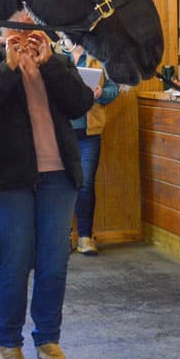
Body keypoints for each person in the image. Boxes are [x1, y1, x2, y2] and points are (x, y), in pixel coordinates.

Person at [0, 15, 94, 359]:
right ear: (2, 26)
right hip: (5, 180)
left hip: (58, 176)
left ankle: (48, 337)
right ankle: (8, 343)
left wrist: (51, 63)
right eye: (16, 22)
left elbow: (80, 102)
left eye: (31, 21)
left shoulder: (56, 58)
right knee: (15, 261)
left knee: (54, 262)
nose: (24, 28)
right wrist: (8, 68)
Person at [65, 39, 120, 256]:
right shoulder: (58, 52)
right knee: (62, 185)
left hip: (90, 132)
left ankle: (85, 236)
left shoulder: (100, 55)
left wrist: (100, 94)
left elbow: (113, 89)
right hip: (61, 132)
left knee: (86, 184)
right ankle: (63, 236)